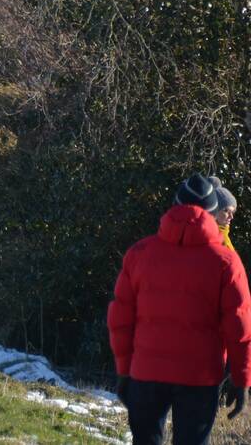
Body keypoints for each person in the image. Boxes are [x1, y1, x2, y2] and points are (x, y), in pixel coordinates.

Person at [107, 173, 251, 445]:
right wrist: (241, 378)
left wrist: (124, 371)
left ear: (173, 205)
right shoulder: (227, 262)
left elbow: (120, 319)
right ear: (213, 213)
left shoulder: (140, 253)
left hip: (146, 372)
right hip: (200, 377)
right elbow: (240, 325)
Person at [209, 176, 239, 251]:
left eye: (232, 212)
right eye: (226, 211)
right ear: (214, 211)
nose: (231, 216)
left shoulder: (224, 234)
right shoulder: (213, 239)